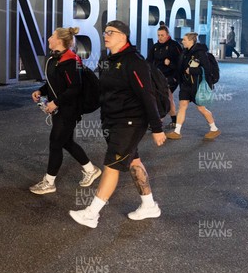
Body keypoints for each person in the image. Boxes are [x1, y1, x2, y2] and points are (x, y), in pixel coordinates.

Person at [69, 20, 166, 229]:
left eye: (110, 32)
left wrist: (157, 128)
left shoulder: (134, 61)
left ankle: (91, 214)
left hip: (130, 121)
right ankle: (149, 205)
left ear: (123, 36)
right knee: (134, 161)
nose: (105, 35)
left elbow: (147, 95)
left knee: (111, 165)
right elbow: (102, 91)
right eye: (104, 32)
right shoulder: (107, 59)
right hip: (112, 120)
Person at [30, 27, 101, 194]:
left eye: (52, 36)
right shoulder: (56, 59)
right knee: (65, 141)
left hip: (69, 110)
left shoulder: (70, 61)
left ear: (59, 40)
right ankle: (91, 170)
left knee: (56, 143)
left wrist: (56, 102)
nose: (48, 38)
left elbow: (75, 88)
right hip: (62, 108)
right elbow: (55, 83)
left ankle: (49, 182)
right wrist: (41, 91)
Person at [166, 32, 221, 140]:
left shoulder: (201, 53)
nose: (182, 41)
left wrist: (191, 70)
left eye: (184, 39)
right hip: (186, 85)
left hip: (197, 85)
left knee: (201, 108)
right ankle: (177, 131)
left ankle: (214, 128)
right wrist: (172, 67)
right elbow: (180, 68)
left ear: (191, 41)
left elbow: (207, 69)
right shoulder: (184, 52)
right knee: (182, 106)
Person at [146, 24, 182, 128]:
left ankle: (158, 121)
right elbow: (149, 61)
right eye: (158, 35)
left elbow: (181, 63)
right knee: (166, 98)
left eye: (162, 35)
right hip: (158, 77)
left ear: (167, 35)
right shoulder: (155, 47)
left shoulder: (174, 46)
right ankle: (173, 120)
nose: (160, 37)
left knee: (165, 97)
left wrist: (170, 64)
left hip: (172, 76)